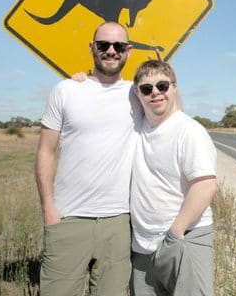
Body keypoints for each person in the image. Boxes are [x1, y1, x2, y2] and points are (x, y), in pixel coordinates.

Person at [35, 21, 141, 296]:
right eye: (103, 45)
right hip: (68, 218)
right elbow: (45, 152)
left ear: (128, 51)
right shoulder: (66, 90)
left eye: (118, 46)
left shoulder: (138, 93)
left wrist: (169, 76)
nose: (110, 51)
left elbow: (171, 115)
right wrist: (49, 209)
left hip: (118, 221)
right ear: (92, 48)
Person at [129, 60, 218, 296]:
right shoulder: (137, 128)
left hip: (183, 238)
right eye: (147, 89)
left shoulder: (189, 131)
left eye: (162, 85)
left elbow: (206, 185)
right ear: (137, 93)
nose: (155, 92)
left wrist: (175, 233)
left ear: (174, 88)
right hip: (143, 246)